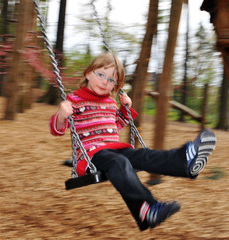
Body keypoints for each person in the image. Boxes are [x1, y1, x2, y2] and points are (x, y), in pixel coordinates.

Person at [49, 52, 216, 231]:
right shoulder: (73, 100)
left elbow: (115, 126)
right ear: (88, 73)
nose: (105, 82)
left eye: (111, 80)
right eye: (101, 75)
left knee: (142, 154)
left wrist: (125, 109)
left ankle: (185, 161)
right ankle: (147, 208)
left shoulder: (110, 102)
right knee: (118, 161)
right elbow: (57, 129)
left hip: (115, 149)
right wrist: (61, 115)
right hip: (91, 155)